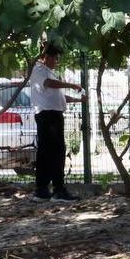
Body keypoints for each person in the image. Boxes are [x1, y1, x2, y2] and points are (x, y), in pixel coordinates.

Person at [29, 43, 85, 201]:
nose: (56, 61)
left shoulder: (49, 72)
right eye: (53, 57)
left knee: (47, 152)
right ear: (46, 57)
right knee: (56, 151)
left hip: (53, 115)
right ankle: (58, 190)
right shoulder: (39, 70)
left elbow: (58, 96)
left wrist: (78, 100)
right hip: (48, 116)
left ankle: (42, 190)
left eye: (56, 58)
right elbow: (48, 84)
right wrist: (71, 85)